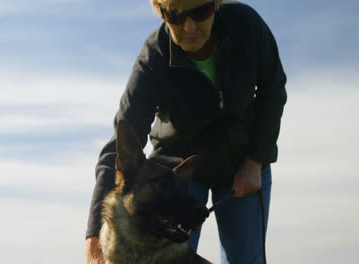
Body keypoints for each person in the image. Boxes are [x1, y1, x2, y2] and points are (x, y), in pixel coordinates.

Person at [85, 0, 287, 263]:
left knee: (245, 258)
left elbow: (273, 90)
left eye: (200, 12)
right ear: (162, 13)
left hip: (243, 165)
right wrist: (93, 240)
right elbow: (119, 146)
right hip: (176, 175)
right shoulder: (153, 56)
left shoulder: (246, 26)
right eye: (176, 17)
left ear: (215, 5)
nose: (190, 27)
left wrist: (256, 160)